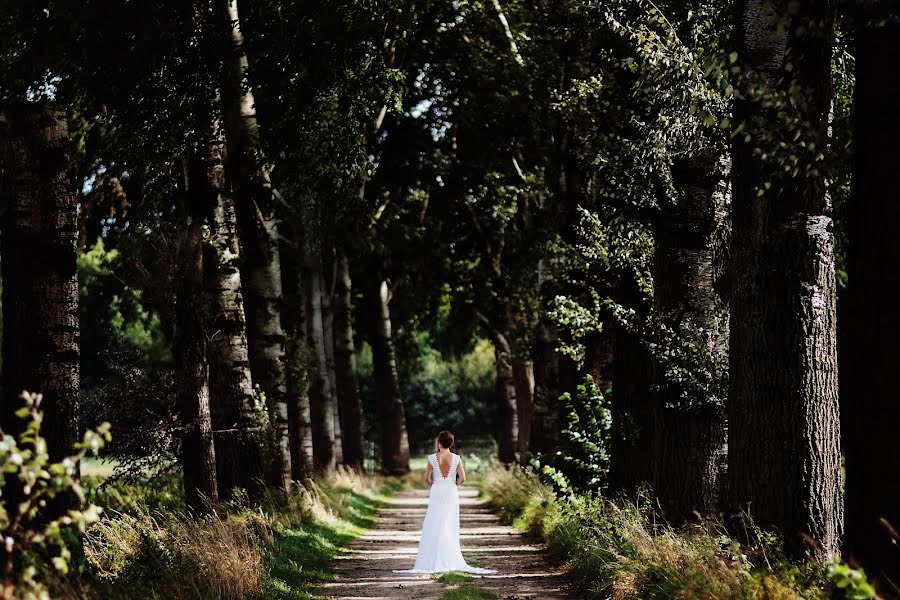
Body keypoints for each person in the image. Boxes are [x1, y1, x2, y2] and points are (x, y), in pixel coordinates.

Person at [394, 431, 496, 574]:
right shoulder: (456, 458)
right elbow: (463, 477)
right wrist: (454, 484)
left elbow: (427, 478)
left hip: (437, 491)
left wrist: (435, 484)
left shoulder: (432, 458)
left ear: (439, 443)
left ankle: (434, 556)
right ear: (450, 443)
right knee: (449, 523)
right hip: (451, 491)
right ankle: (449, 555)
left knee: (434, 522)